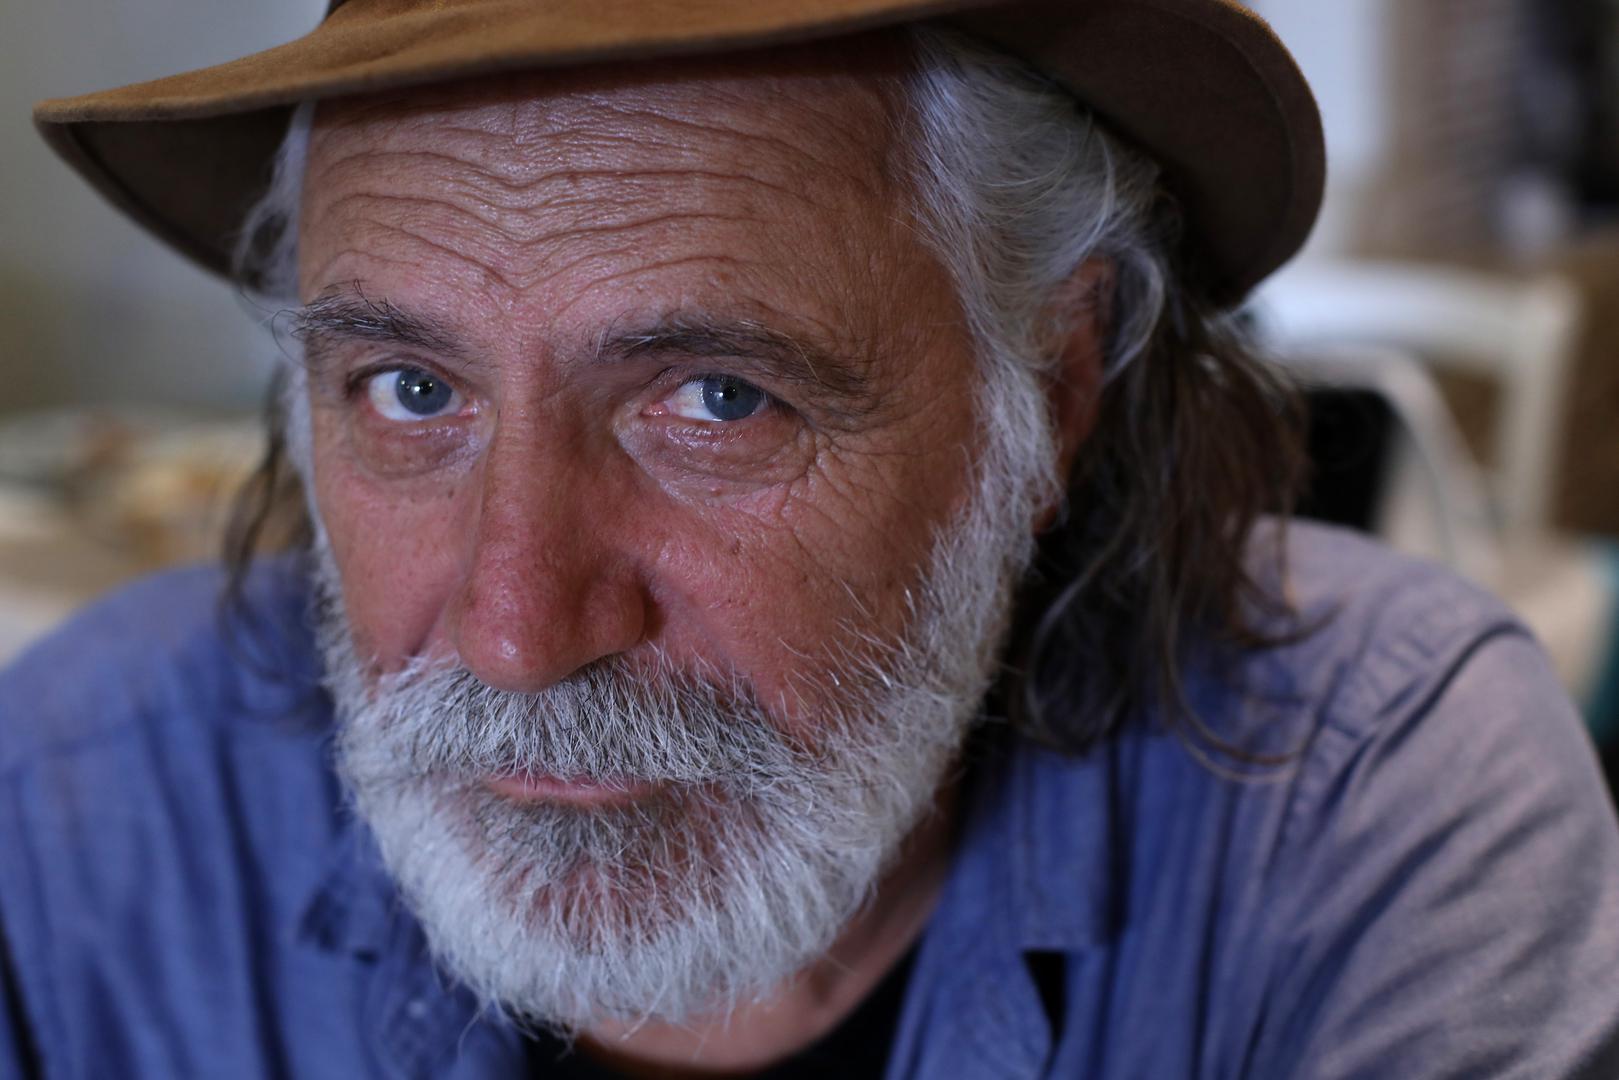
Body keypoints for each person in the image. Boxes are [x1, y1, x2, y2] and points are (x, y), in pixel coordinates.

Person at [5, 1, 1619, 1076]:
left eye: (719, 400)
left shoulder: (1363, 802)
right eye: (412, 389)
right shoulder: (73, 811)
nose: (517, 629)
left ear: (1050, 390)